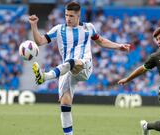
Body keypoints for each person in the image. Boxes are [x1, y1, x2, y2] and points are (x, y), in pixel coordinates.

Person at [28, 2, 130, 135]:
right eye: (66, 15)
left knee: (73, 62)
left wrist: (118, 46)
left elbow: (101, 41)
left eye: (71, 16)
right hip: (66, 69)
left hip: (84, 65)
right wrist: (34, 25)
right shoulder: (59, 29)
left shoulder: (88, 28)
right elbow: (39, 42)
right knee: (65, 104)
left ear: (78, 16)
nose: (68, 18)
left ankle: (45, 77)